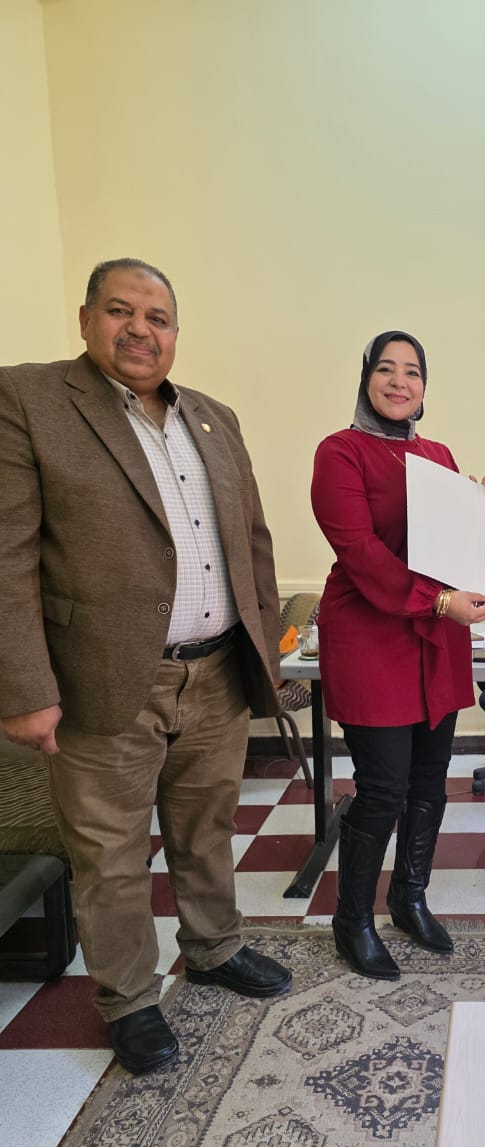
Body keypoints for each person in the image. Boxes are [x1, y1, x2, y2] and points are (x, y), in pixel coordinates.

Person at [0, 258, 292, 1075]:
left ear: (175, 332)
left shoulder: (212, 417)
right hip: (99, 679)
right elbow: (7, 557)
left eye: (157, 317)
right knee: (111, 853)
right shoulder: (29, 399)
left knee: (207, 827)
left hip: (215, 672)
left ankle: (214, 946)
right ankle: (129, 999)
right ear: (86, 318)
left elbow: (253, 544)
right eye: (120, 311)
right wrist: (24, 690)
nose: (140, 329)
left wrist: (264, 652)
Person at [311, 331, 485, 980]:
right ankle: (353, 918)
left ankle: (410, 898)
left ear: (424, 387)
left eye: (412, 371)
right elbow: (360, 552)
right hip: (372, 634)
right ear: (366, 379)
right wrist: (440, 602)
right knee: (383, 787)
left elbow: (452, 547)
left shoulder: (437, 454)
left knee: (428, 780)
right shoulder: (340, 451)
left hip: (433, 640)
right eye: (385, 369)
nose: (399, 381)